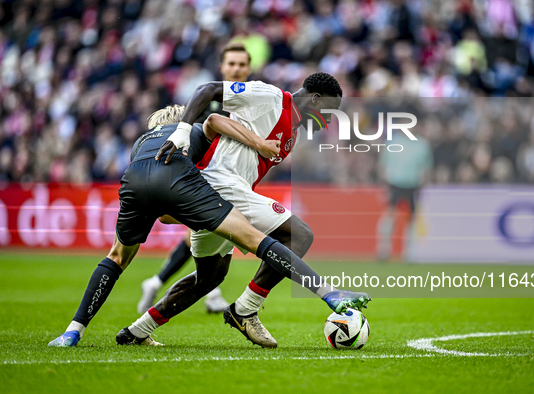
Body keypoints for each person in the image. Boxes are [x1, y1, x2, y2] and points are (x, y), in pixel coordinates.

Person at [48, 104, 371, 348]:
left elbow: (162, 213)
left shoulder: (141, 142)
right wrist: (259, 144)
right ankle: (329, 295)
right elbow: (215, 122)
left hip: (134, 184)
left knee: (119, 258)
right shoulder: (187, 129)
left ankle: (74, 331)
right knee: (258, 237)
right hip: (191, 189)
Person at [119, 73, 357, 348]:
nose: (329, 120)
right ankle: (246, 308)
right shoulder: (269, 97)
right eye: (329, 111)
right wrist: (182, 132)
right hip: (222, 183)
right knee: (299, 235)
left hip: (224, 193)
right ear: (315, 98)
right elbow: (207, 90)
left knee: (209, 278)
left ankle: (136, 331)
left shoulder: (293, 132)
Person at [137, 42, 253, 315]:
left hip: (231, 174)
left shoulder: (253, 100)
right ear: (222, 67)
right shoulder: (206, 99)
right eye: (231, 64)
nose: (236, 69)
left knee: (203, 233)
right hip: (200, 171)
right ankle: (209, 292)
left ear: (249, 68)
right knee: (213, 227)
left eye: (241, 64)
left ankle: (158, 282)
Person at [376, 129, 433, 260]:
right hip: (394, 183)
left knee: (411, 219)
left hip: (413, 184)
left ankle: (409, 252)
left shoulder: (422, 144)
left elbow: (427, 167)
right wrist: (384, 183)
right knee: (389, 216)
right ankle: (384, 249)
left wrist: (423, 183)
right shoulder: (393, 141)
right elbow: (383, 163)